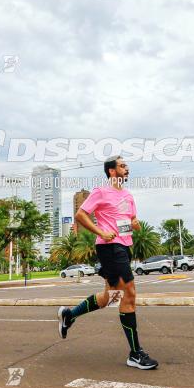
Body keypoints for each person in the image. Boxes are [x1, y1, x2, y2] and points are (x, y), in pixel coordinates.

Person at [59, 156, 158, 369]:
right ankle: (135, 353)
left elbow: (130, 222)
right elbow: (80, 214)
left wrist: (135, 224)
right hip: (109, 248)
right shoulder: (100, 192)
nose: (127, 169)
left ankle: (69, 315)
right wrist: (101, 232)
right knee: (129, 294)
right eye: (122, 166)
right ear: (112, 172)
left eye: (127, 166)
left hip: (124, 246)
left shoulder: (129, 196)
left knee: (110, 297)